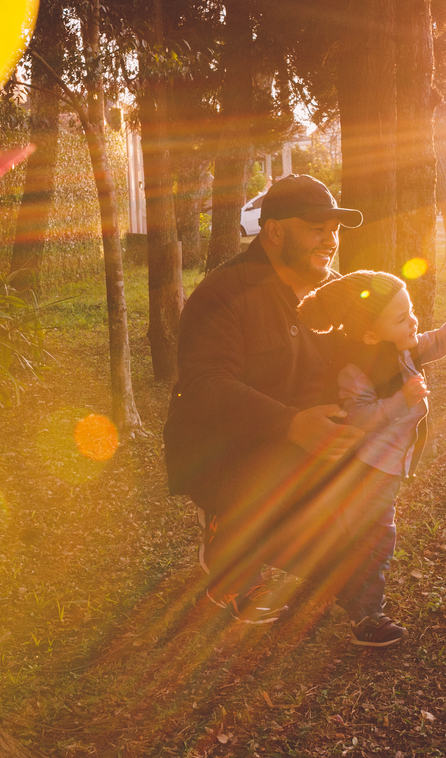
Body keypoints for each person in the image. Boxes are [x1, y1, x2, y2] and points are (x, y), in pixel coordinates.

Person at [165, 174, 406, 643]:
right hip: (230, 451)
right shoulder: (224, 293)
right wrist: (291, 423)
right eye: (317, 229)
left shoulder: (335, 294)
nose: (331, 241)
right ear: (274, 233)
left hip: (311, 447)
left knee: (354, 522)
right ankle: (229, 546)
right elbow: (203, 384)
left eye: (335, 230)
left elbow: (366, 360)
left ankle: (360, 606)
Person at [295, 271, 446, 645]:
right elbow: (358, 416)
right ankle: (367, 616)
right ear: (370, 334)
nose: (413, 321)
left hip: (383, 466)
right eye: (401, 318)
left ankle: (345, 593)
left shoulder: (403, 348)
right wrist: (403, 399)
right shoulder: (356, 369)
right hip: (364, 467)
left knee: (362, 536)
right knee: (376, 539)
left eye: (411, 310)